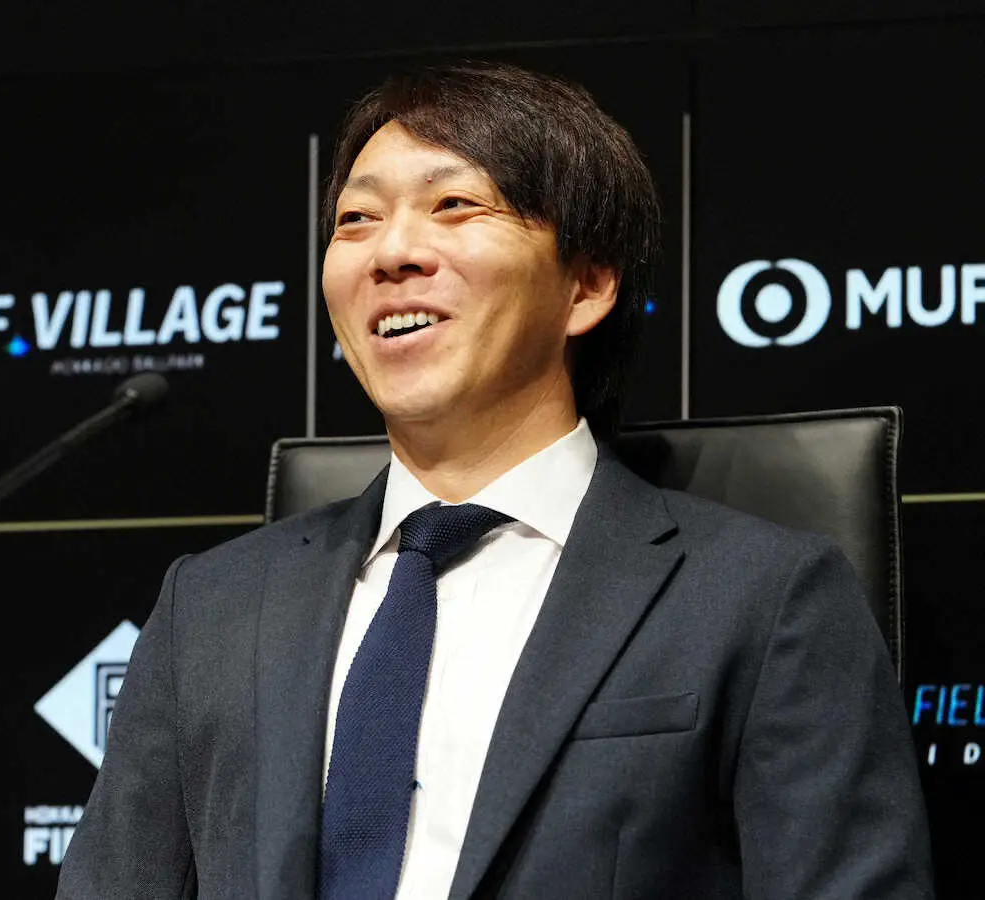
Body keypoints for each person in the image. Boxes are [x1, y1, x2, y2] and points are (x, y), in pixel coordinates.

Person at [57, 61, 933, 899]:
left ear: (587, 285)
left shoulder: (764, 599)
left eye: (454, 205)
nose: (392, 251)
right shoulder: (210, 608)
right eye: (356, 220)